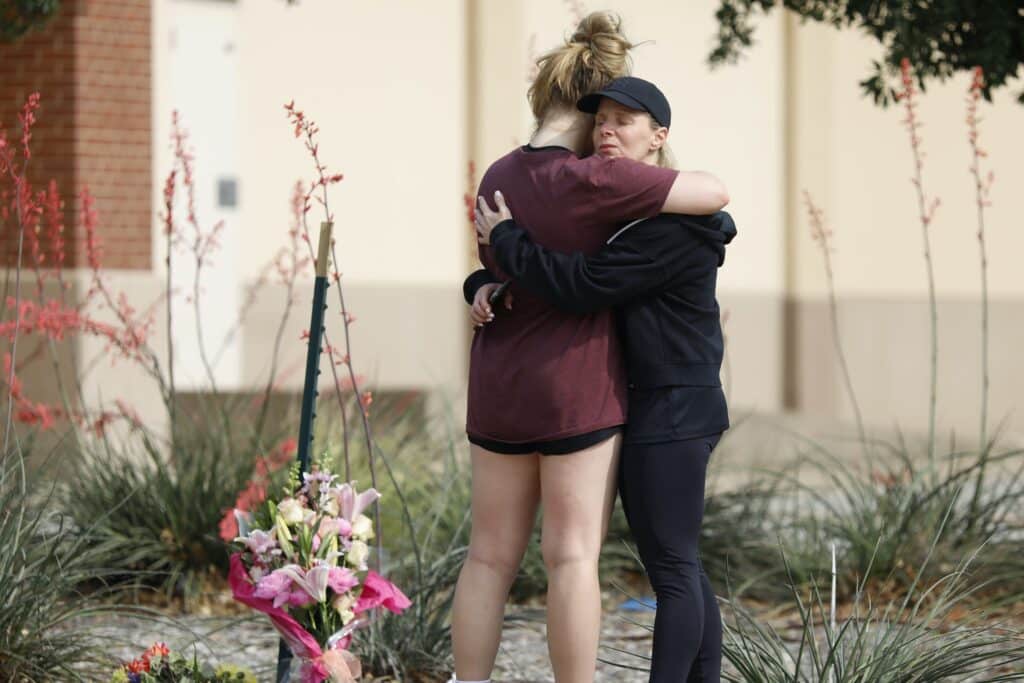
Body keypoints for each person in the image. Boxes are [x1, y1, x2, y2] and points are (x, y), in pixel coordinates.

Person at [450, 13, 730, 683]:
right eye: (605, 113)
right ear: (590, 106)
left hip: (498, 386)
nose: (607, 128)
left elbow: (500, 269)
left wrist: (483, 282)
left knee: (487, 556)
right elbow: (713, 194)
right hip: (575, 390)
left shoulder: (496, 176)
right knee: (571, 557)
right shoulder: (598, 180)